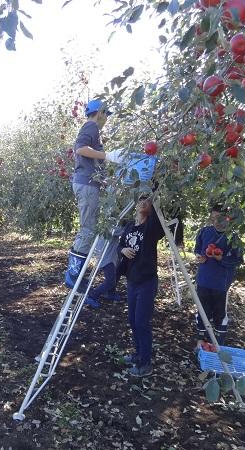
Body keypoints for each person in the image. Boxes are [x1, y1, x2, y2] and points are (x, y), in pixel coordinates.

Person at [65, 99, 123, 289]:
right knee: (88, 229)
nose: (107, 119)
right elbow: (80, 149)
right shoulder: (91, 126)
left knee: (88, 228)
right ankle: (73, 275)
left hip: (88, 184)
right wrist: (107, 156)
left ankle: (75, 274)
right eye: (106, 114)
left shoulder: (92, 129)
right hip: (87, 185)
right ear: (100, 113)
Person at [118, 194, 166, 377]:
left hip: (146, 281)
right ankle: (138, 354)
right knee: (132, 320)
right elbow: (119, 245)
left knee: (141, 322)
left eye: (147, 200)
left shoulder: (151, 227)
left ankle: (145, 363)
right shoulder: (130, 226)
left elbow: (158, 215)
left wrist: (155, 190)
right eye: (141, 199)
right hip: (132, 280)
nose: (143, 202)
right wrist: (122, 249)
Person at [194, 204, 243, 347]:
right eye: (213, 217)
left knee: (219, 314)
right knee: (202, 311)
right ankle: (200, 342)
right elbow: (197, 249)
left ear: (226, 218)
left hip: (221, 283)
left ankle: (217, 345)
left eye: (219, 217)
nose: (215, 221)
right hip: (203, 279)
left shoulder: (233, 238)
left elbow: (238, 260)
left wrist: (221, 259)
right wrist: (199, 257)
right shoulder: (204, 232)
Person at [84, 226, 124, 308]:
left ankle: (110, 293)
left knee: (115, 274)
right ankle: (92, 296)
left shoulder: (105, 225)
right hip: (106, 258)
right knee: (110, 281)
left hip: (107, 257)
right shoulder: (111, 227)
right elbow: (123, 231)